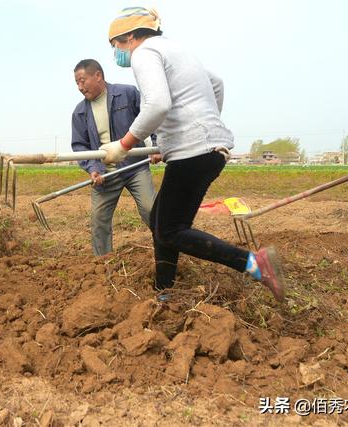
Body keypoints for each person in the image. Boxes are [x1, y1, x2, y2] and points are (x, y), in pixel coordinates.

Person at [100, 7, 286, 301]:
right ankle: (165, 292)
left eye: (115, 46)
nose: (117, 53)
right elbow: (216, 84)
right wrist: (186, 134)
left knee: (171, 229)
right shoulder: (177, 50)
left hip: (194, 152)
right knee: (160, 220)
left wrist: (123, 145)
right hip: (206, 148)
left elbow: (157, 104)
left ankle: (253, 263)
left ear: (130, 37)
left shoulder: (144, 52)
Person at [71, 59, 156, 256]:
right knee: (98, 219)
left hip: (135, 167)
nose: (80, 87)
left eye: (82, 81)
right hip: (104, 174)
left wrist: (157, 144)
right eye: (76, 83)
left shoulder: (127, 93)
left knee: (151, 209)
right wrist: (92, 168)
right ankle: (103, 263)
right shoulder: (80, 112)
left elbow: (151, 115)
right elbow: (79, 146)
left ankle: (168, 247)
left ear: (98, 75)